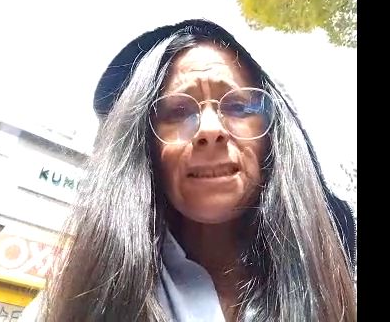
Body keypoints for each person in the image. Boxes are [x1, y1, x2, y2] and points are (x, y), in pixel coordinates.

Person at [31, 19, 356, 321]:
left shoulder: (338, 292)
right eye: (176, 111)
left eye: (238, 106)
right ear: (144, 146)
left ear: (273, 137)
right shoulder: (72, 300)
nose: (210, 130)